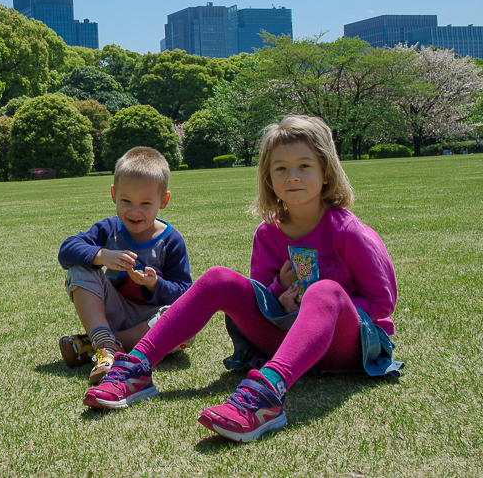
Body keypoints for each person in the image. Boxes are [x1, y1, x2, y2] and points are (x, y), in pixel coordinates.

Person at [83, 115, 403, 443]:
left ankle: (265, 395)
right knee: (219, 277)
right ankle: (136, 367)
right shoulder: (269, 233)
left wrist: (319, 307)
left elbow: (381, 304)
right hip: (283, 338)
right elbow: (263, 299)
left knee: (325, 291)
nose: (292, 177)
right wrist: (280, 290)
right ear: (268, 176)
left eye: (304, 166)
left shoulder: (348, 231)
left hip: (347, 348)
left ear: (326, 171)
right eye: (280, 168)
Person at [58, 146, 193, 384]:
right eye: (126, 201)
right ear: (113, 194)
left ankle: (100, 344)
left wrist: (155, 284)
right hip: (111, 309)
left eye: (145, 203)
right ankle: (105, 341)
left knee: (186, 323)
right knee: (80, 267)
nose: (134, 211)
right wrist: (102, 255)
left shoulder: (171, 241)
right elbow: (67, 250)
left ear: (163, 201)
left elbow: (185, 293)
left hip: (149, 319)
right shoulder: (108, 229)